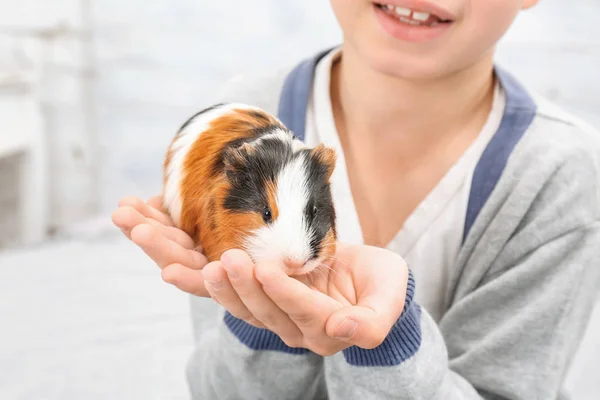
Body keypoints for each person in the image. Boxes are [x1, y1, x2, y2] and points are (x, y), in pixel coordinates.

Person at [112, 0, 600, 398]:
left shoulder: (560, 173)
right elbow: (220, 390)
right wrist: (262, 313)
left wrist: (387, 341)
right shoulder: (243, 114)